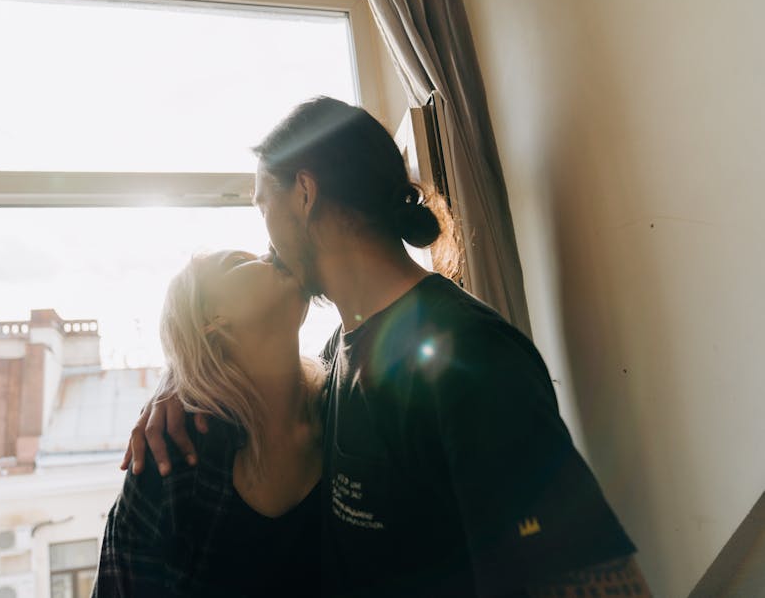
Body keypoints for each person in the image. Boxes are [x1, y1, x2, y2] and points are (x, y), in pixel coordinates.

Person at [124, 97, 651, 596]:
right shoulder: (339, 355)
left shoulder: (470, 358)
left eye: (263, 206)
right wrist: (182, 384)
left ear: (304, 195)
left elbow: (590, 576)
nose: (266, 245)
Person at [94, 250, 335, 597]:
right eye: (238, 262)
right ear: (212, 322)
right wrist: (180, 374)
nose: (272, 253)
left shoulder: (346, 410)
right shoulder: (169, 461)